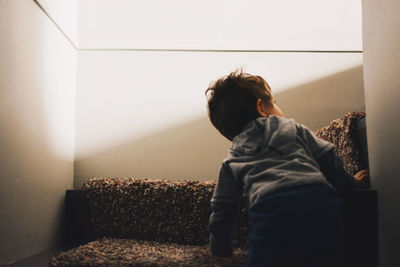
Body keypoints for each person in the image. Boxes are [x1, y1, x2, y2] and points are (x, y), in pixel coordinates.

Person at [205, 70, 368, 267]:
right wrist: (350, 184)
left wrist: (220, 248)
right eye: (274, 102)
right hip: (320, 199)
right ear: (261, 108)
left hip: (273, 210)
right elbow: (327, 158)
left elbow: (222, 206)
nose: (279, 109)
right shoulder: (292, 128)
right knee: (327, 254)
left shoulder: (233, 158)